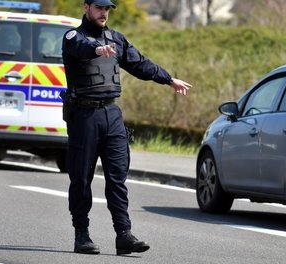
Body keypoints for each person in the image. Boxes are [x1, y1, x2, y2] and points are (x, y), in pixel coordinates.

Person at [62, 0, 192, 256]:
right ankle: (82, 235)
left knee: (118, 179)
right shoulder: (73, 36)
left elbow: (140, 64)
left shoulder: (116, 39)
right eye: (99, 8)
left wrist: (168, 79)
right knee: (81, 179)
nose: (104, 13)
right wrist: (98, 50)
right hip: (85, 116)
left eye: (107, 9)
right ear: (86, 7)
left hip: (112, 114)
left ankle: (124, 235)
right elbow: (83, 48)